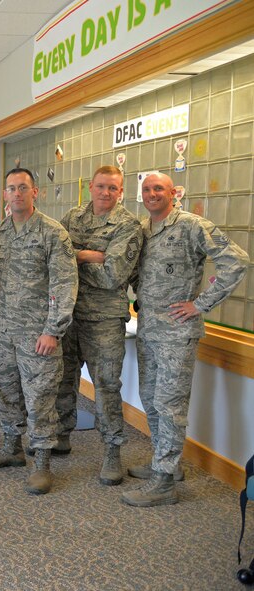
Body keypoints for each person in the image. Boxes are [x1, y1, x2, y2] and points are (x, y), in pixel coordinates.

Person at [122, 172, 248, 507]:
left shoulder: (192, 225)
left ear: (173, 193)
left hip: (178, 333)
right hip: (149, 327)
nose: (152, 194)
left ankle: (164, 484)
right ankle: (165, 465)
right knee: (150, 398)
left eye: (158, 189)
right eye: (147, 189)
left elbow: (237, 261)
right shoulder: (143, 230)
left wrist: (200, 304)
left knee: (170, 406)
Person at [0, 168, 77, 495]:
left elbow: (65, 285)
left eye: (23, 188)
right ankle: (11, 447)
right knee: (6, 389)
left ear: (36, 193)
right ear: (4, 194)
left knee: (41, 396)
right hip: (2, 329)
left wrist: (53, 331)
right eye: (11, 189)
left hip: (38, 333)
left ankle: (42, 462)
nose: (16, 193)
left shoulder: (52, 233)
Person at [55, 166, 142, 485]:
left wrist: (74, 260)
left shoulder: (128, 225)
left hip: (104, 318)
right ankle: (61, 435)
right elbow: (56, 259)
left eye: (113, 188)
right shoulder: (72, 218)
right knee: (63, 379)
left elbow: (113, 276)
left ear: (121, 192)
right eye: (101, 186)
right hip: (68, 313)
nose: (106, 193)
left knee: (106, 386)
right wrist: (91, 255)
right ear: (90, 187)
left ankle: (112, 453)